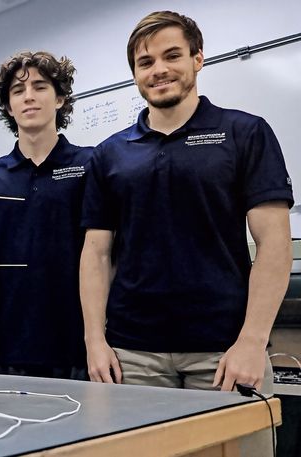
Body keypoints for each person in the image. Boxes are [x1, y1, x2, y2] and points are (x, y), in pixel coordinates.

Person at [80, 11, 293, 394]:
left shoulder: (245, 133)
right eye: (145, 62)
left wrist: (251, 341)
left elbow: (274, 244)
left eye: (172, 55)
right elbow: (96, 254)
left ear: (198, 59)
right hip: (132, 353)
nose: (158, 69)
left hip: (226, 351)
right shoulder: (108, 154)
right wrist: (95, 341)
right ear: (135, 74)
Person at [0, 51, 91, 379]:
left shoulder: (91, 166)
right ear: (8, 107)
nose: (29, 97)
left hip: (78, 348)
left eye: (40, 87)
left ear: (60, 98)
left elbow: (105, 255)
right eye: (17, 90)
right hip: (9, 347)